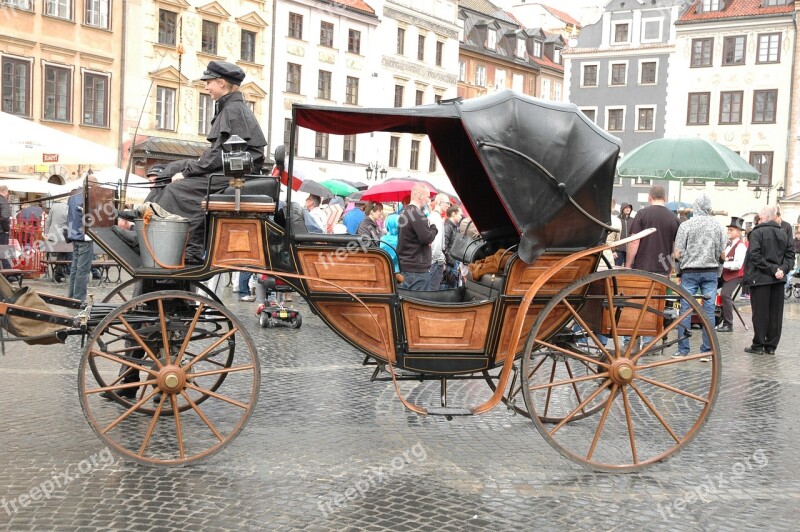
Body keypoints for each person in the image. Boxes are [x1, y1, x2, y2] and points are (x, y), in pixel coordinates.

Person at [141, 60, 266, 264]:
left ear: (221, 83)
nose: (206, 86)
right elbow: (217, 152)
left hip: (232, 175)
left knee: (176, 189)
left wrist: (188, 172)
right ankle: (145, 212)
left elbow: (217, 155)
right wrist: (185, 168)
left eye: (208, 82)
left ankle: (185, 245)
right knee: (171, 168)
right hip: (230, 170)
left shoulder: (232, 110)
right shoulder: (231, 108)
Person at [671, 194, 726, 360]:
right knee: (708, 312)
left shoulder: (686, 226)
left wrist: (678, 271)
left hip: (690, 272)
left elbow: (678, 253)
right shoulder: (718, 227)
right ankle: (706, 351)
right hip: (710, 271)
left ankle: (682, 350)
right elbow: (722, 255)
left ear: (694, 208)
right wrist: (718, 272)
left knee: (685, 311)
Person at [742, 205, 795, 355]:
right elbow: (790, 256)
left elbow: (754, 256)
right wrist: (782, 269)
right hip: (778, 279)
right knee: (775, 314)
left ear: (763, 218)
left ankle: (758, 345)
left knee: (760, 313)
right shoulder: (783, 234)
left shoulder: (757, 233)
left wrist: (774, 269)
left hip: (761, 278)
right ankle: (771, 346)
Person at [626, 185, 679, 276]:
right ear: (665, 198)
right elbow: (676, 248)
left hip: (642, 268)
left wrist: (628, 265)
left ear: (650, 198)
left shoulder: (641, 214)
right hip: (663, 269)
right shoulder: (674, 218)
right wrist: (670, 269)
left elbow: (634, 241)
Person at [397, 184, 438, 290]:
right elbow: (426, 237)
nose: (429, 200)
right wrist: (433, 228)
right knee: (416, 304)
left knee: (408, 303)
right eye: (428, 197)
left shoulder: (407, 212)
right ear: (420, 196)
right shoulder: (416, 213)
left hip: (409, 266)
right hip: (416, 268)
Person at [718, 217, 747, 333]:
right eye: (728, 229)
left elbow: (738, 265)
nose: (729, 232)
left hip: (736, 276)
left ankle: (728, 324)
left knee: (725, 294)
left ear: (739, 232)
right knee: (708, 286)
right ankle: (713, 317)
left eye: (731, 230)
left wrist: (723, 263)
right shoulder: (728, 244)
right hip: (724, 274)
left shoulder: (741, 246)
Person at [66, 187, 93, 305]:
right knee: (82, 270)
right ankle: (78, 299)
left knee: (75, 269)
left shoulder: (73, 196)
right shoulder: (87, 195)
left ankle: (71, 297)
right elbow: (88, 215)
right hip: (84, 237)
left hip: (74, 236)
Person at [44, 199, 71, 282]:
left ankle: (59, 273)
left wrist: (47, 233)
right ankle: (61, 272)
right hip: (64, 235)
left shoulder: (54, 206)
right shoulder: (69, 207)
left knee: (61, 254)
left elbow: (48, 221)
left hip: (53, 235)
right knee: (67, 254)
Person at [427, 193, 450, 290]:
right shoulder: (436, 218)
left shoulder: (433, 216)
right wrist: (440, 259)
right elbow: (436, 242)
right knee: (432, 291)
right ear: (440, 202)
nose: (449, 206)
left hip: (433, 259)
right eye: (447, 203)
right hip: (435, 261)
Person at [442, 204, 463, 288]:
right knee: (449, 287)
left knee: (453, 286)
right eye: (460, 214)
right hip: (451, 263)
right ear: (454, 214)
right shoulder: (448, 226)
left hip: (453, 262)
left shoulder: (453, 226)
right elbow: (444, 245)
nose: (461, 217)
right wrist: (451, 261)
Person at [613, 203, 633, 267]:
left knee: (628, 270)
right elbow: (613, 235)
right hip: (619, 250)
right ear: (622, 209)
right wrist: (613, 250)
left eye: (629, 208)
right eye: (626, 208)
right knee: (617, 268)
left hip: (630, 250)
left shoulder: (632, 220)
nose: (628, 209)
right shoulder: (617, 220)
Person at [0, 185, 12, 270]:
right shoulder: (4, 201)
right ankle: (8, 273)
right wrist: (7, 229)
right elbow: (5, 217)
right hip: (1, 231)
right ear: (5, 192)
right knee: (4, 252)